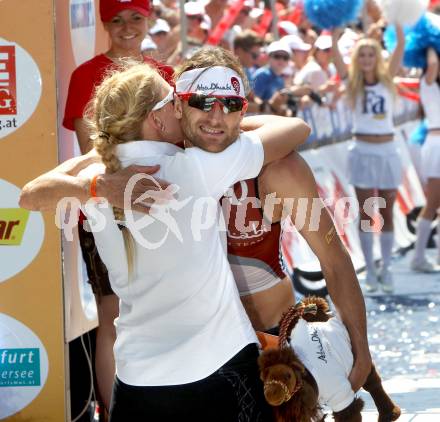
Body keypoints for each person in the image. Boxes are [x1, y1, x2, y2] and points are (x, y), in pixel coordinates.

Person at [21, 47, 371, 393]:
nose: (216, 117)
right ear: (177, 106)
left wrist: (361, 348)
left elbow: (334, 259)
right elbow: (36, 191)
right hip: (191, 368)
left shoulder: (277, 168)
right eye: (202, 103)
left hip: (273, 345)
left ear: (243, 107)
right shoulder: (147, 165)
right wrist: (99, 186)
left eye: (230, 104)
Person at [62, 0, 173, 410]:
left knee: (160, 309)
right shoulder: (85, 76)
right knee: (112, 315)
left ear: (148, 21)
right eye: (117, 19)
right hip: (106, 208)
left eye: (136, 18)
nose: (127, 27)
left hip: (159, 207)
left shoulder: (166, 76)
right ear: (105, 24)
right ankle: (113, 412)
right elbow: (87, 151)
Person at [332, 24, 405, 293]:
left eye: (370, 55)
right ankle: (371, 269)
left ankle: (386, 267)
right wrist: (333, 35)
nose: (366, 60)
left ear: (377, 58)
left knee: (387, 209)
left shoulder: (388, 81)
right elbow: (337, 61)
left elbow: (399, 49)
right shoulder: (352, 84)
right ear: (356, 59)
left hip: (387, 150)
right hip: (362, 149)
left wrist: (398, 24)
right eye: (361, 55)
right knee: (366, 211)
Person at [410, 47, 440, 272]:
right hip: (436, 144)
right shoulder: (428, 83)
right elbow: (432, 64)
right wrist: (431, 42)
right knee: (432, 203)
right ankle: (418, 257)